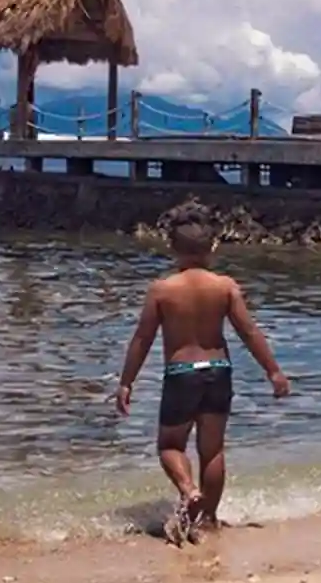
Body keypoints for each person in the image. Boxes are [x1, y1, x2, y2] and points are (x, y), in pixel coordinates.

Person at [114, 202, 292, 546]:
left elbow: (142, 339)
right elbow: (250, 332)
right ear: (213, 246)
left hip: (181, 373)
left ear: (172, 247)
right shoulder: (225, 287)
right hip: (218, 371)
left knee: (170, 444)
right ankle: (207, 519)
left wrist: (126, 382)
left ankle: (188, 490)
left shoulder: (162, 290)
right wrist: (274, 372)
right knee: (212, 451)